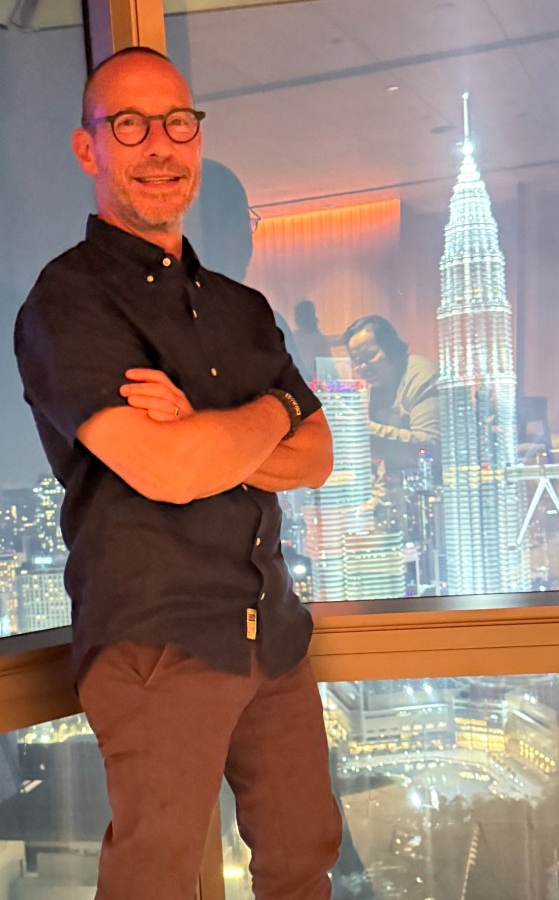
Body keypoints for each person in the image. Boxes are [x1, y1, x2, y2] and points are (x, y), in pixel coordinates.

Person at [14, 46, 342, 900]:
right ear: (90, 149)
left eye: (177, 123)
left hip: (271, 628)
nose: (159, 144)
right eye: (128, 124)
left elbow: (319, 455)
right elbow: (164, 472)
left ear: (197, 140)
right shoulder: (68, 302)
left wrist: (215, 428)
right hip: (156, 643)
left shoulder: (242, 310)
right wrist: (269, 414)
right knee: (157, 883)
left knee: (305, 859)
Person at [344, 315, 440, 475]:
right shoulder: (380, 383)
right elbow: (385, 462)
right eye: (356, 361)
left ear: (391, 348)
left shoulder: (424, 375)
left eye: (369, 356)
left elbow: (431, 448)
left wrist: (359, 429)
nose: (363, 367)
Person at [293, 300, 333, 380]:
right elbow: (329, 366)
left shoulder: (292, 338)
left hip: (308, 381)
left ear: (298, 318)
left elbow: (327, 365)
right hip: (311, 382)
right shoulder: (321, 339)